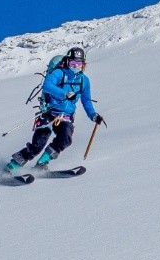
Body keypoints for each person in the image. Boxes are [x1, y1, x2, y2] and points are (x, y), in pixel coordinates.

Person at [6, 46, 106, 174]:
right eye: (73, 63)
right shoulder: (59, 73)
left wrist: (93, 115)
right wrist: (64, 93)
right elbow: (47, 86)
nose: (75, 66)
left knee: (65, 139)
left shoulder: (84, 81)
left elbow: (86, 100)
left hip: (66, 116)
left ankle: (42, 163)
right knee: (38, 144)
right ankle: (11, 167)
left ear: (83, 64)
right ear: (67, 61)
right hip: (48, 112)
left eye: (79, 63)